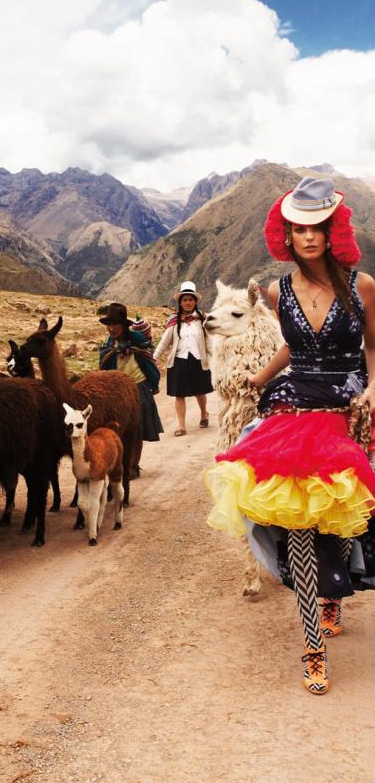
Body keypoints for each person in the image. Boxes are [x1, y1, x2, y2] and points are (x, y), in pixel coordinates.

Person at [204, 176, 375, 694]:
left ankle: (334, 593)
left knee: (340, 517)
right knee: (296, 515)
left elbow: (373, 347)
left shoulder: (363, 286)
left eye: (317, 227)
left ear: (333, 232)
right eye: (299, 229)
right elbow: (294, 348)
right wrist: (259, 379)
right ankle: (313, 647)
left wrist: (373, 389)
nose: (308, 237)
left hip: (349, 405)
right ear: (287, 235)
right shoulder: (278, 292)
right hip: (296, 404)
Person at [98, 302, 163, 476]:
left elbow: (148, 360)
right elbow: (103, 368)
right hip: (116, 391)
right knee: (117, 428)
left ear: (124, 325)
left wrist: (153, 384)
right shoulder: (107, 346)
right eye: (109, 325)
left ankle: (133, 465)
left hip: (138, 387)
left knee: (136, 429)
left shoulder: (138, 341)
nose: (112, 328)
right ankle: (118, 464)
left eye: (115, 324)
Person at [154, 281, 213, 436]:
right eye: (185, 300)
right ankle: (181, 426)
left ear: (195, 302)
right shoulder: (174, 321)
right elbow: (165, 342)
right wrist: (154, 357)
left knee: (200, 392)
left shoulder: (202, 319)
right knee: (179, 394)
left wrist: (216, 358)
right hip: (178, 361)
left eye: (190, 299)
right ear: (180, 302)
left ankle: (204, 414)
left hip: (198, 360)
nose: (187, 303)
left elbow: (209, 342)